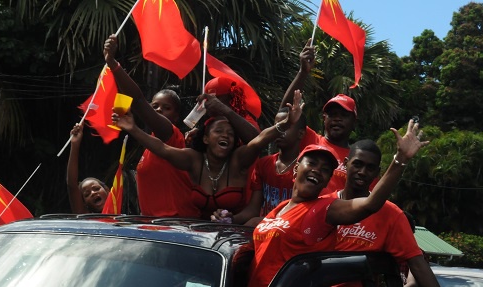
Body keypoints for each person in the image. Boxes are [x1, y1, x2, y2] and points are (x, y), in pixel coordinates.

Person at [310, 139, 472, 287]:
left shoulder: (391, 215)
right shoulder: (323, 205)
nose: (362, 172)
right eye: (357, 164)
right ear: (346, 163)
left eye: (369, 168)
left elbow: (418, 264)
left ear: (377, 172)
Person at [111, 92, 305, 220]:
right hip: (198, 235)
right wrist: (134, 129)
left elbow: (259, 140)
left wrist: (287, 123)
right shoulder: (193, 160)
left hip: (233, 236)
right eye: (219, 131)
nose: (225, 135)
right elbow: (163, 149)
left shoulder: (238, 159)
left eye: (230, 133)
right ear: (205, 138)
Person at [104, 34, 199, 218]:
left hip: (178, 224)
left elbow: (138, 101)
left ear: (176, 116)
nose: (159, 110)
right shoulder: (149, 145)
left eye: (166, 107)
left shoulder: (172, 136)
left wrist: (113, 64)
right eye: (154, 106)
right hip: (154, 226)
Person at [280, 40, 365, 193]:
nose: (337, 119)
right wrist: (303, 72)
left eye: (344, 115)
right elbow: (284, 113)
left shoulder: (359, 159)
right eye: (332, 114)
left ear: (354, 122)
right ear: (324, 118)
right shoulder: (309, 140)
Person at [212, 106, 306, 225]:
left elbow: (304, 214)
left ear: (301, 133)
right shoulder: (264, 163)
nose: (279, 131)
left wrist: (266, 222)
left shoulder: (305, 168)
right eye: (277, 126)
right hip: (263, 232)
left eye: (286, 126)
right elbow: (253, 209)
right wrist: (231, 219)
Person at [66, 123, 109, 213]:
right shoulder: (86, 217)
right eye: (87, 194)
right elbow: (72, 185)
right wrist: (75, 144)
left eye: (96, 188)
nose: (93, 193)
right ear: (84, 203)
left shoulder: (120, 207)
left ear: (107, 191)